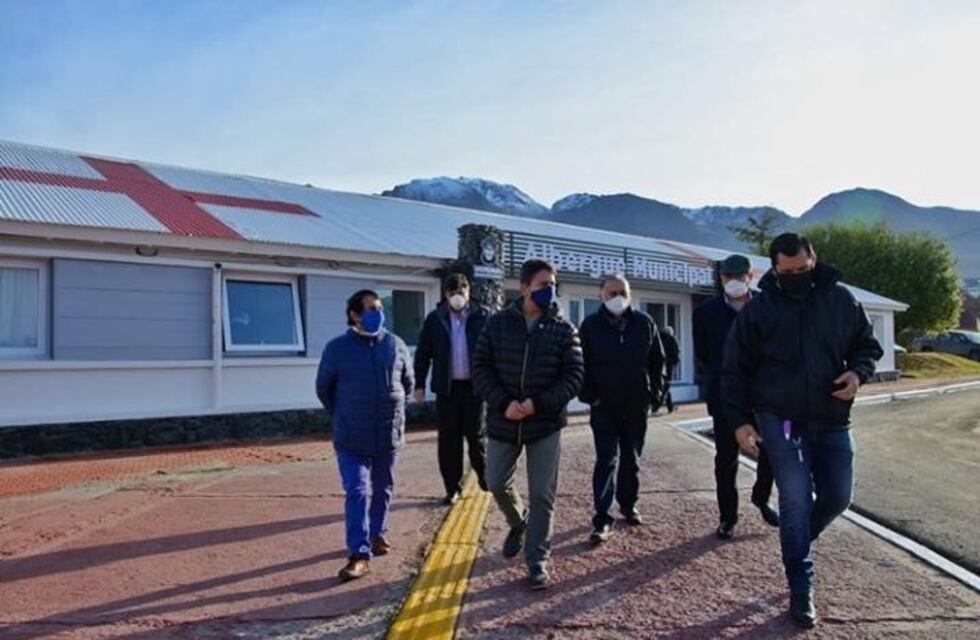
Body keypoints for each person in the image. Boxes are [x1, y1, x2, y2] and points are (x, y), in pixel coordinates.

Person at [722, 233, 882, 628]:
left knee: (839, 496)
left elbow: (868, 345)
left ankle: (796, 543)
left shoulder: (840, 300)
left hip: (832, 417)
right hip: (782, 419)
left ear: (814, 260)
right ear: (774, 269)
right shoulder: (759, 311)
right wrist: (741, 422)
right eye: (786, 271)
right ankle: (800, 586)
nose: (795, 276)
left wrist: (857, 373)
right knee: (794, 499)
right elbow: (734, 370)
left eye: (803, 270)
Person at [472, 259, 584, 590]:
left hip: (544, 424)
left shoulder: (564, 329)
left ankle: (537, 561)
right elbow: (481, 368)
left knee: (542, 494)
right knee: (494, 481)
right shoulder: (497, 324)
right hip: (503, 420)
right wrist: (504, 404)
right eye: (543, 285)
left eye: (553, 284)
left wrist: (537, 403)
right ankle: (518, 522)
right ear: (523, 287)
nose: (551, 291)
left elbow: (573, 376)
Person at [315, 289, 415, 582]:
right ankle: (359, 554)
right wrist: (344, 415)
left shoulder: (395, 345)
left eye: (380, 308)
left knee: (383, 489)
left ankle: (378, 534)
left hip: (387, 434)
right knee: (357, 491)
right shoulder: (337, 349)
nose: (378, 313)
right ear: (355, 315)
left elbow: (407, 384)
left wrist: (394, 411)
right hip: (351, 437)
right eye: (371, 308)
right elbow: (324, 389)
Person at [693, 254, 778, 540]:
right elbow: (703, 354)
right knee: (726, 459)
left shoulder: (768, 306)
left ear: (750, 276)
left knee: (772, 451)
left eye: (739, 277)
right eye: (728, 277)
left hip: (765, 396)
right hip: (725, 398)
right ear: (721, 279)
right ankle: (727, 517)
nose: (733, 282)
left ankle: (761, 497)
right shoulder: (706, 312)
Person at [578, 274, 665, 546]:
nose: (617, 297)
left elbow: (658, 362)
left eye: (622, 292)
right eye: (611, 292)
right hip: (604, 407)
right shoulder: (590, 326)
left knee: (632, 459)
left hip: (636, 405)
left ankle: (628, 505)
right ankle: (603, 518)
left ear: (630, 293)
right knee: (606, 461)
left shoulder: (644, 323)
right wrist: (591, 397)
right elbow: (581, 365)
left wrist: (656, 394)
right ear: (601, 295)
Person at [414, 273, 491, 504]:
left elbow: (494, 350)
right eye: (453, 293)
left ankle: (486, 480)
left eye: (461, 292)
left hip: (474, 389)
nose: (457, 297)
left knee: (476, 436)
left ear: (468, 292)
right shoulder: (435, 320)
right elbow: (423, 354)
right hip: (447, 390)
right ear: (445, 295)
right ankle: (452, 488)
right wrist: (419, 384)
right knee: (449, 440)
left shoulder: (483, 316)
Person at [660, 326, 680, 412]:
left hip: (660, 365)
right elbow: (676, 352)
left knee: (664, 384)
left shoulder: (659, 339)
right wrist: (675, 362)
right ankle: (659, 403)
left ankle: (670, 406)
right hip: (669, 365)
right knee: (666, 385)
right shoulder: (672, 340)